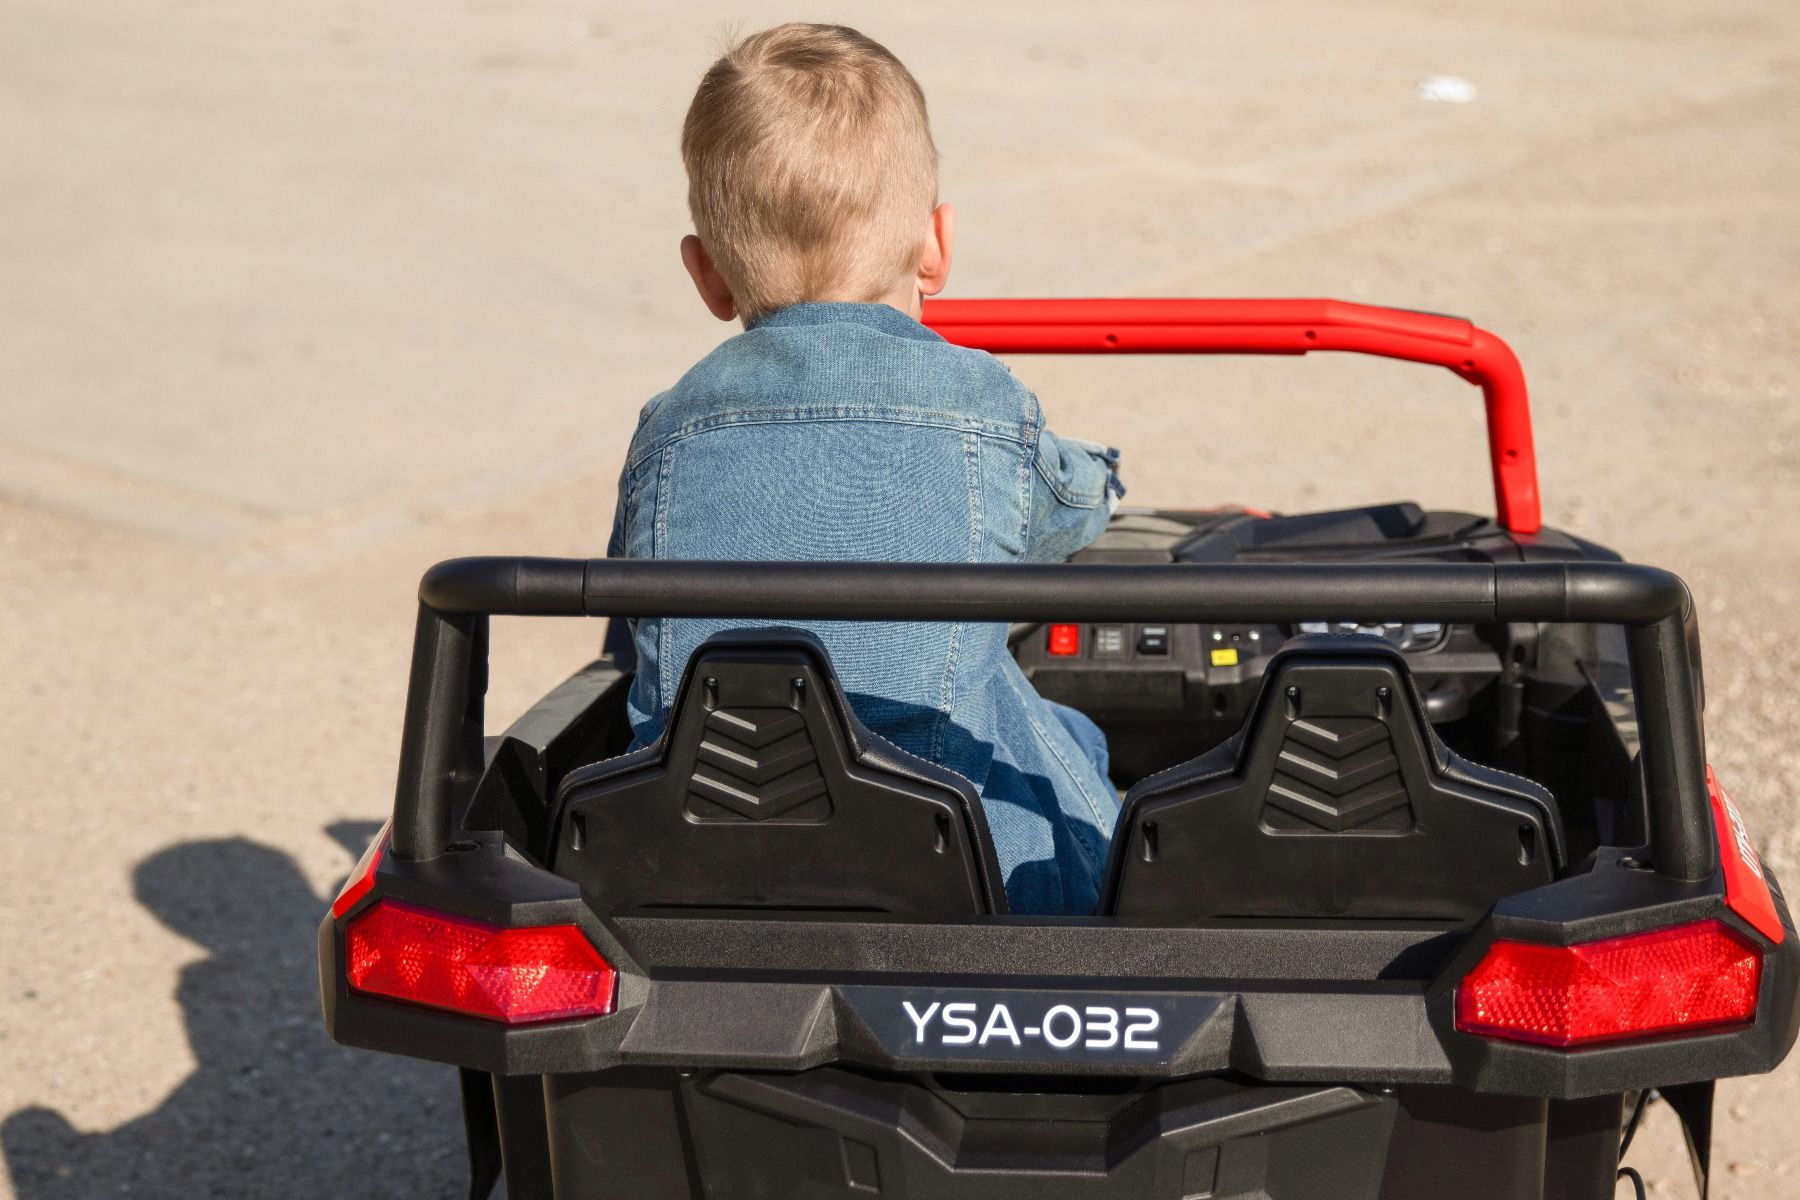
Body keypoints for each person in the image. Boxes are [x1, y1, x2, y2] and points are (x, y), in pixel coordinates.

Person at [607, 22, 1125, 914]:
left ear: (707, 276)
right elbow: (1064, 507)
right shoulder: (983, 406)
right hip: (960, 876)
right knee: (1062, 735)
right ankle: (1123, 929)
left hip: (693, 866)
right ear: (938, 247)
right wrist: (1108, 482)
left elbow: (631, 582)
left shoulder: (668, 428)